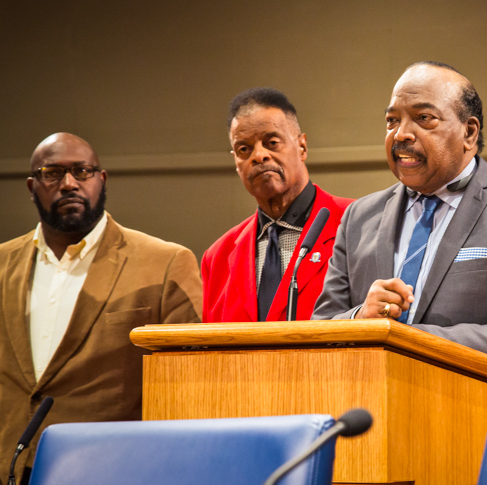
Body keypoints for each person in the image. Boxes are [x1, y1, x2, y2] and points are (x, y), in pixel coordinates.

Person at [312, 61, 487, 370]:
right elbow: (322, 326)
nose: (401, 134)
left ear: (469, 133)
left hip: (475, 410)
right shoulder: (359, 218)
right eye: (392, 121)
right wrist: (360, 318)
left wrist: (396, 337)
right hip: (370, 409)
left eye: (423, 118)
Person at [0, 133, 202, 482]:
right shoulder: (3, 263)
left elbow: (191, 391)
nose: (68, 184)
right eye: (52, 173)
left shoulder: (165, 263)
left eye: (82, 171)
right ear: (32, 185)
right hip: (10, 467)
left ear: (102, 179)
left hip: (114, 469)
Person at [202, 88, 352, 323]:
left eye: (271, 142)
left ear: (302, 146)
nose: (258, 155)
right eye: (244, 149)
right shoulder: (217, 257)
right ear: (235, 162)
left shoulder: (356, 223)